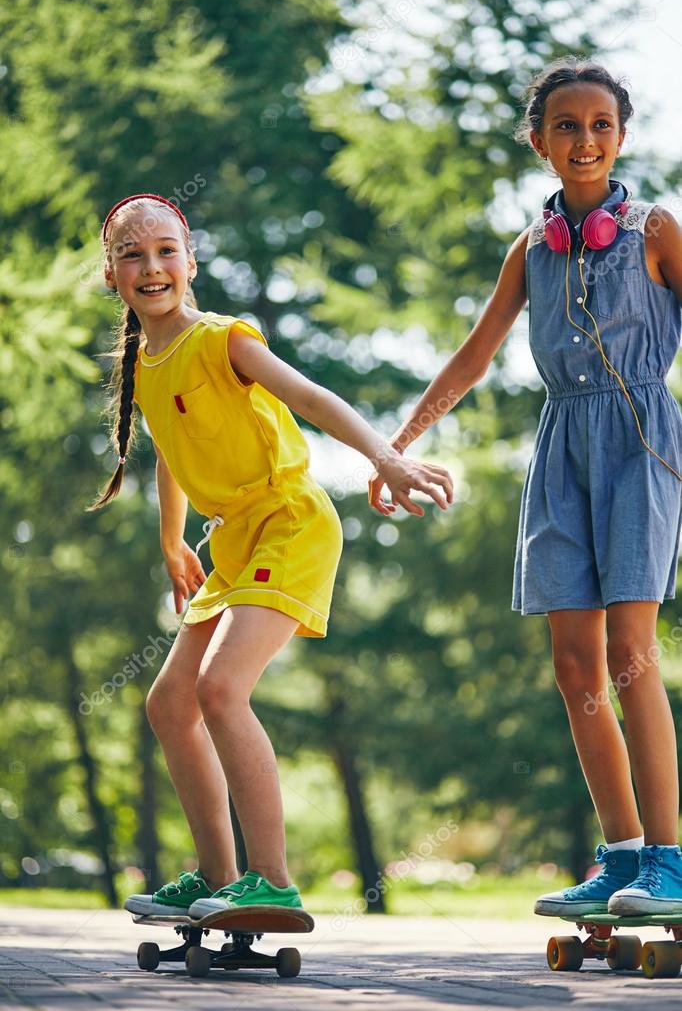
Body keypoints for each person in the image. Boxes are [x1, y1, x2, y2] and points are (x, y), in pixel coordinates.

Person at [368, 58, 682, 914]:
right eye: (567, 127)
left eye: (601, 126)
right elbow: (474, 355)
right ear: (539, 143)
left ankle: (671, 858)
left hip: (641, 442)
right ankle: (620, 855)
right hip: (561, 449)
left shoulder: (656, 229)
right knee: (574, 661)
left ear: (620, 136)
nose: (585, 140)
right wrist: (398, 444)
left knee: (630, 655)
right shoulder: (529, 249)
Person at [89, 192, 453, 916]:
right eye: (132, 254)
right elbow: (170, 452)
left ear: (190, 264)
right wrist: (171, 544)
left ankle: (273, 881)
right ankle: (221, 878)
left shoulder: (221, 339)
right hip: (233, 541)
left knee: (220, 690)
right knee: (169, 703)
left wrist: (386, 456)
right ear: (112, 275)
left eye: (166, 251)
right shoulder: (149, 360)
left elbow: (311, 397)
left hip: (290, 522)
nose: (151, 266)